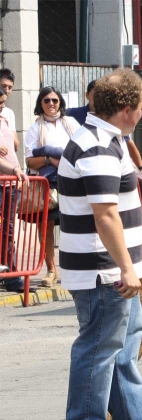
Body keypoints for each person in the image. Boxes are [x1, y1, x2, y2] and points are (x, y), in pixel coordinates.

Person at [58, 68, 142, 420]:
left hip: (112, 261)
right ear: (126, 108)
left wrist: (135, 247)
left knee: (123, 343)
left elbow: (115, 208)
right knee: (99, 345)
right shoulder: (96, 143)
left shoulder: (110, 139)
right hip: (100, 268)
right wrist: (125, 265)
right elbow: (104, 213)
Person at [25, 87, 80, 287]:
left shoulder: (71, 124)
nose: (51, 104)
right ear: (40, 103)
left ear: (60, 103)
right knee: (45, 227)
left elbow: (80, 151)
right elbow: (30, 161)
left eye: (55, 100)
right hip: (47, 185)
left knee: (74, 224)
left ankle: (74, 268)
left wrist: (62, 161)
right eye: (47, 100)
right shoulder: (35, 128)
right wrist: (50, 159)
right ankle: (51, 270)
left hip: (72, 182)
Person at [67, 80, 142, 181]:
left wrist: (140, 167)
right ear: (87, 95)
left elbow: (128, 142)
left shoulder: (113, 123)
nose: (98, 99)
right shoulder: (72, 114)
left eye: (100, 95)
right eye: (95, 95)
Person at [0, 88, 28, 293]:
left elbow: (13, 151)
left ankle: (11, 275)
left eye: (3, 102)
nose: (2, 106)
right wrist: (15, 170)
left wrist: (17, 172)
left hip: (10, 184)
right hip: (4, 181)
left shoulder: (5, 120)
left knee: (9, 232)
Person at [0, 69, 18, 152]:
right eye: (3, 86)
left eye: (10, 87)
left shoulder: (9, 113)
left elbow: (15, 144)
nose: (7, 90)